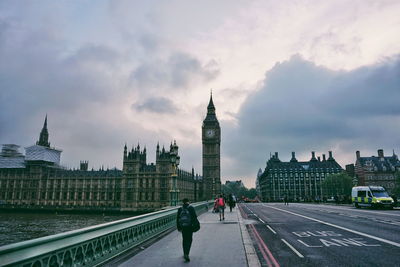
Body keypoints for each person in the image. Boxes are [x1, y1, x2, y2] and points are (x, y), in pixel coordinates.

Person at [177, 198, 200, 262]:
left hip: (183, 226)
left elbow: (178, 218)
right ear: (188, 201)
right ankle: (187, 253)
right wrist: (196, 226)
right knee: (189, 239)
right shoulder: (191, 208)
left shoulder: (180, 209)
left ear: (183, 202)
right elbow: (194, 217)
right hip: (189, 226)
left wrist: (179, 227)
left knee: (184, 239)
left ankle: (184, 253)